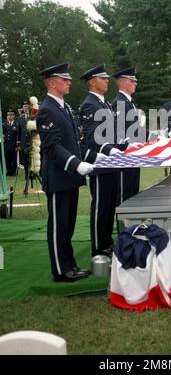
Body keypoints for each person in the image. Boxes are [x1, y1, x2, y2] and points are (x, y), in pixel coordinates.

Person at [36, 63, 96, 282]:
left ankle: (69, 264)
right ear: (52, 82)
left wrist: (89, 158)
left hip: (69, 176)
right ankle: (61, 270)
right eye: (64, 79)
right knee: (58, 225)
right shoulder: (46, 109)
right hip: (59, 176)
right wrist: (75, 164)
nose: (69, 82)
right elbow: (53, 147)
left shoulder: (64, 107)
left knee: (68, 224)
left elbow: (73, 141)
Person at [79, 64, 127, 257]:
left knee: (109, 205)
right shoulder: (90, 104)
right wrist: (111, 150)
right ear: (92, 82)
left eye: (107, 78)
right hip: (101, 163)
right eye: (103, 78)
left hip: (111, 162)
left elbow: (111, 133)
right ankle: (99, 246)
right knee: (101, 206)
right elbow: (92, 138)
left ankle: (107, 241)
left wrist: (122, 144)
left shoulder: (104, 104)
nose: (107, 81)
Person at [111, 67, 143, 202]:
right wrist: (127, 144)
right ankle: (124, 224)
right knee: (125, 196)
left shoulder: (129, 103)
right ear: (123, 83)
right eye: (132, 81)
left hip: (133, 155)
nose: (135, 83)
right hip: (125, 156)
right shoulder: (120, 103)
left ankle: (131, 224)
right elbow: (118, 130)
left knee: (133, 193)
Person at [16, 101, 31, 182]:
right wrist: (18, 143)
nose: (26, 109)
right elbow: (19, 131)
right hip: (23, 142)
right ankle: (26, 174)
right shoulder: (20, 118)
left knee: (31, 158)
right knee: (25, 159)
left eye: (27, 108)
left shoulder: (32, 117)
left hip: (31, 142)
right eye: (24, 108)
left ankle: (32, 174)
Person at [3, 110, 18, 176]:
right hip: (6, 145)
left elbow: (17, 135)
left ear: (14, 116)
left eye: (11, 115)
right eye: (8, 115)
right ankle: (8, 171)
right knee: (7, 159)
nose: (9, 116)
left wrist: (17, 145)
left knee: (13, 159)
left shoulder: (16, 124)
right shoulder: (4, 124)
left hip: (13, 144)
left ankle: (13, 171)